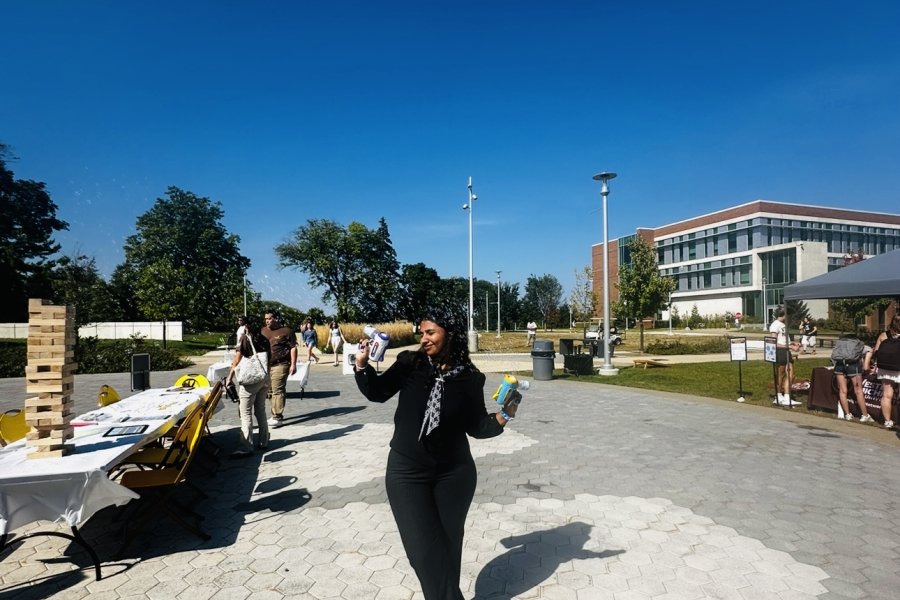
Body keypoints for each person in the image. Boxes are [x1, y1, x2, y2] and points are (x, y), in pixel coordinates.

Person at [354, 304, 520, 600]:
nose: (424, 339)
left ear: (450, 333)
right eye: (422, 333)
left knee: (447, 547)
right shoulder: (410, 363)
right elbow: (377, 392)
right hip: (407, 471)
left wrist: (506, 414)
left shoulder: (470, 377)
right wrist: (362, 366)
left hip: (454, 474)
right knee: (423, 553)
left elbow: (476, 426)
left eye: (430, 332)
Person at [225, 316, 271, 456]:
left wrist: (229, 377)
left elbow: (237, 360)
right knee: (260, 410)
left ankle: (246, 446)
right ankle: (264, 441)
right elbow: (268, 360)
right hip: (263, 378)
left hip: (250, 380)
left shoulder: (245, 339)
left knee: (245, 413)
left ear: (248, 326)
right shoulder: (264, 340)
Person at [261, 310, 297, 428]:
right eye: (266, 319)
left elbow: (293, 348)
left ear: (276, 318)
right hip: (266, 365)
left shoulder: (287, 331)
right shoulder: (263, 331)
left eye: (269, 318)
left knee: (278, 390)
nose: (267, 321)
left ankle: (277, 417)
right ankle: (274, 414)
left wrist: (293, 364)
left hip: (281, 364)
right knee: (270, 391)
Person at [832, 334, 874, 423]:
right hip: (853, 367)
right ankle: (865, 415)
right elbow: (866, 367)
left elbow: (833, 357)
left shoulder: (841, 344)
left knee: (842, 391)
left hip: (839, 366)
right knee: (858, 391)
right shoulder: (865, 347)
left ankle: (847, 414)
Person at [872, 315, 900, 429]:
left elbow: (876, 352)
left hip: (885, 368)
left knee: (886, 395)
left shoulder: (883, 335)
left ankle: (888, 421)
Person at [769, 308, 800, 406]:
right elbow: (774, 343)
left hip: (786, 351)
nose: (789, 318)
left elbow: (783, 340)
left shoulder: (783, 325)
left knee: (791, 374)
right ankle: (778, 396)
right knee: (780, 375)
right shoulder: (775, 325)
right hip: (780, 352)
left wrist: (792, 343)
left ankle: (786, 397)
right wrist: (790, 347)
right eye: (789, 316)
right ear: (785, 315)